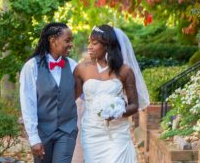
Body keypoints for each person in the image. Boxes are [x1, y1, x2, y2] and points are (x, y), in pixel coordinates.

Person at [74, 24, 150, 163]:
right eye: (89, 42)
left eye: (94, 43)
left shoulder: (124, 71)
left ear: (107, 45)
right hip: (92, 132)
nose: (89, 46)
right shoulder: (82, 69)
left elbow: (134, 105)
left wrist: (117, 112)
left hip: (117, 133)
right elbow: (70, 99)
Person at [20, 22, 78, 163]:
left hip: (67, 131)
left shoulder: (73, 65)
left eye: (72, 40)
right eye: (67, 40)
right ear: (53, 41)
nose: (71, 44)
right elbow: (28, 104)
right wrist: (34, 138)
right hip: (42, 133)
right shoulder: (32, 66)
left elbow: (84, 94)